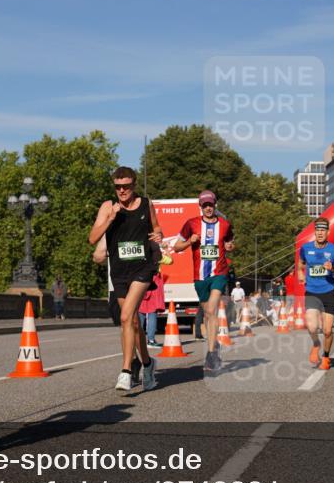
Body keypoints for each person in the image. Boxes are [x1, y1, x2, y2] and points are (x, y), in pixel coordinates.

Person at [89, 166, 161, 391]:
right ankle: (147, 364)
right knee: (133, 322)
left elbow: (157, 227)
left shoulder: (146, 204)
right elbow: (92, 238)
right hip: (119, 271)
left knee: (125, 316)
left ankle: (126, 371)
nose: (122, 190)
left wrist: (158, 234)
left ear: (134, 185)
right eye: (118, 187)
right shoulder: (108, 207)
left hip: (142, 268)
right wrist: (110, 219)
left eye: (126, 186)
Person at [173, 190, 235, 371]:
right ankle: (214, 346)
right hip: (199, 277)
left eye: (211, 205)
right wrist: (189, 242)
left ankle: (211, 354)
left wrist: (230, 246)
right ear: (200, 206)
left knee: (212, 309)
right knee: (208, 314)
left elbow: (230, 243)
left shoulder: (224, 224)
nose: (208, 208)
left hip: (219, 273)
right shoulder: (191, 224)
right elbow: (176, 247)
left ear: (215, 205)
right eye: (205, 205)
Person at [297, 217, 334, 370]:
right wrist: (300, 273)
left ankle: (326, 356)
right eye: (318, 230)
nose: (320, 233)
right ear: (315, 232)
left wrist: (332, 269)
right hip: (311, 291)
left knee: (327, 331)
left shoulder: (333, 250)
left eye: (323, 230)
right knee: (312, 327)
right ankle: (316, 344)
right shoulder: (306, 248)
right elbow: (300, 263)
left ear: (328, 232)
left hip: (328, 292)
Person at [139, 269, 165, 348]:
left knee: (140, 315)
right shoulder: (155, 270)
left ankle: (137, 340)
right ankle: (151, 340)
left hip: (141, 285)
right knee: (152, 314)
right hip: (153, 288)